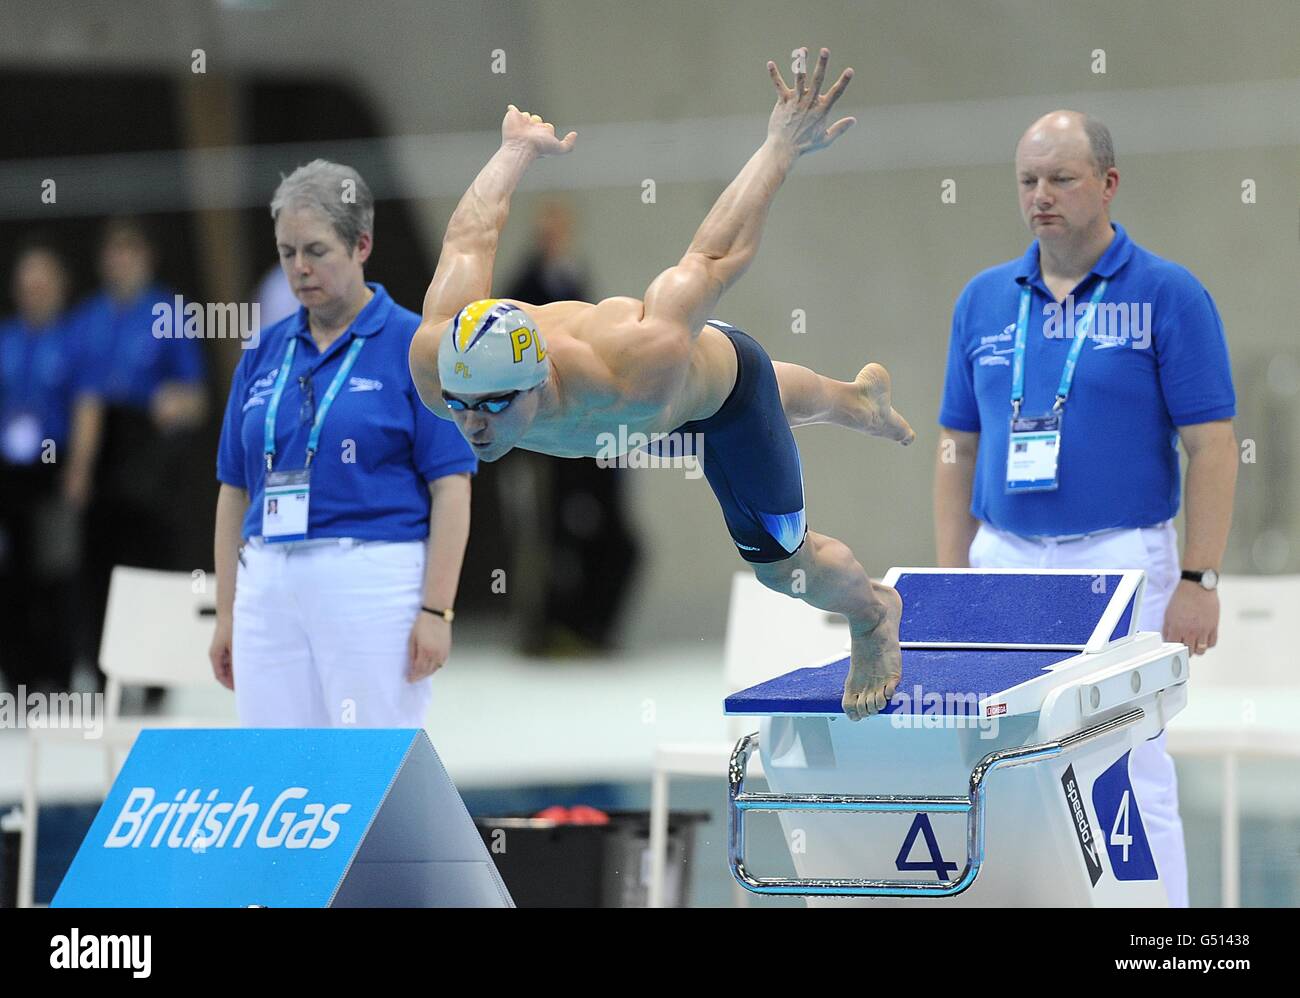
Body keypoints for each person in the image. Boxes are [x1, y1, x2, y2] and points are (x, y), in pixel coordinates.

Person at [410, 48, 915, 719]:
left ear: (536, 381)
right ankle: (856, 400)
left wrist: (779, 148)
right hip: (633, 430)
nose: (473, 426)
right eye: (462, 406)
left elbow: (712, 256)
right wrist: (515, 150)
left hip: (712, 403)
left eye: (494, 407)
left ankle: (874, 614)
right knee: (744, 400)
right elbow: (471, 240)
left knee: (785, 569)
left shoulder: (632, 362)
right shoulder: (440, 356)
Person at [933, 110, 1238, 907]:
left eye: (1062, 179)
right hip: (1003, 561)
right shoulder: (983, 300)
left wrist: (1199, 578)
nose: (1042, 197)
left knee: (1127, 765)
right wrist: (951, 577)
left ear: (1107, 184)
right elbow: (956, 449)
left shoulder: (1168, 295)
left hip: (1121, 563)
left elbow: (1212, 446)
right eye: (1028, 181)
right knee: (995, 760)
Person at [212, 160, 478, 727]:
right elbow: (233, 489)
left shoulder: (415, 346)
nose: (300, 269)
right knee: (274, 765)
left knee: (370, 765)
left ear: (361, 245)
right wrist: (228, 613)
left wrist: (437, 609)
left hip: (372, 577)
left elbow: (452, 486)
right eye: (287, 253)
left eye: (315, 250)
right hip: (267, 580)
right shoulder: (263, 352)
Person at [68, 218, 209, 687]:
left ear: (147, 257)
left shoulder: (169, 311)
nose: (121, 261)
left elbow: (196, 397)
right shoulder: (87, 318)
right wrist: (79, 467)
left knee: (153, 565)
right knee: (99, 569)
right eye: (114, 252)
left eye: (130, 251)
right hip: (102, 450)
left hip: (149, 452)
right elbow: (79, 400)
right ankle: (103, 671)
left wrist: (175, 402)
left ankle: (155, 676)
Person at [503, 200, 641, 655]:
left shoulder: (573, 277)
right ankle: (545, 633)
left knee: (616, 543)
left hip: (586, 430)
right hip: (546, 438)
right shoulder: (524, 285)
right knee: (548, 541)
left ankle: (590, 629)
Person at [0, 239, 91, 693]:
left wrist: (79, 469)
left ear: (59, 287)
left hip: (51, 470)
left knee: (55, 571)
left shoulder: (73, 340)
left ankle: (57, 673)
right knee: (12, 572)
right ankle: (16, 672)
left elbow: (86, 406)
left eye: (42, 284)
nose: (33, 292)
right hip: (10, 475)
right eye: (26, 285)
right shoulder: (8, 339)